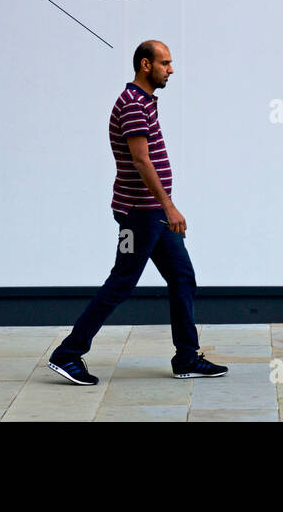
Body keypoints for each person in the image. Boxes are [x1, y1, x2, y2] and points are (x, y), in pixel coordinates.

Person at [48, 40, 227, 383]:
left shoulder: (144, 102)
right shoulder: (132, 104)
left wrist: (164, 210)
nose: (171, 70)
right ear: (146, 65)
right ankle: (67, 354)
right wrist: (170, 206)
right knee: (121, 281)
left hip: (155, 216)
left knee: (182, 278)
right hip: (140, 216)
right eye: (165, 63)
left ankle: (187, 358)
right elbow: (141, 160)